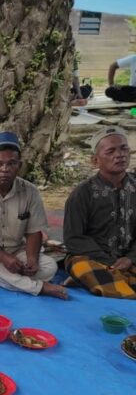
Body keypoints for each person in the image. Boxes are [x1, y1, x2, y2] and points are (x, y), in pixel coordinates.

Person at [0, 132, 68, 298]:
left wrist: (32, 259)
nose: (5, 170)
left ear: (19, 165)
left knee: (49, 266)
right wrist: (3, 258)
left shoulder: (31, 192)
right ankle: (37, 287)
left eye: (11, 164)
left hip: (17, 251)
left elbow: (34, 232)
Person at [63, 126, 136, 297]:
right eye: (111, 151)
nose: (120, 155)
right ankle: (113, 281)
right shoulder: (83, 193)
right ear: (95, 161)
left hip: (129, 258)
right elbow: (73, 238)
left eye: (124, 148)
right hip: (91, 258)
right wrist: (109, 262)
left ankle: (98, 280)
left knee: (106, 277)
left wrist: (130, 258)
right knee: (82, 266)